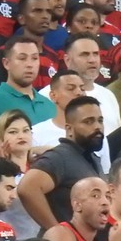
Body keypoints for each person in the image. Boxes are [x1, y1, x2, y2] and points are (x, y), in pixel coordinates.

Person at [17, 96, 105, 232]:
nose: (97, 127)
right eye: (88, 122)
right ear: (69, 129)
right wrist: (57, 232)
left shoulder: (92, 158)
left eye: (100, 121)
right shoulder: (59, 156)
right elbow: (27, 188)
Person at [0, 37, 56, 134]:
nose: (29, 64)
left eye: (34, 58)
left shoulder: (49, 105)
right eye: (22, 58)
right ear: (6, 63)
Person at [32, 70, 111, 174]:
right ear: (53, 96)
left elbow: (105, 173)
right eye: (71, 88)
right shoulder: (37, 133)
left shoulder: (96, 133)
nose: (79, 92)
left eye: (82, 88)